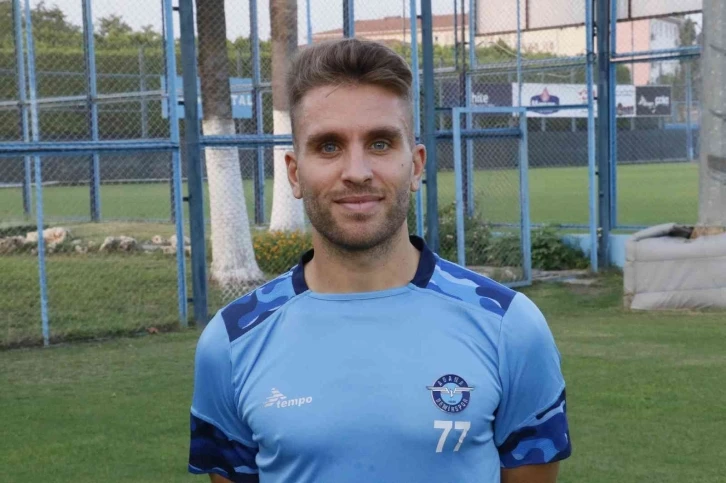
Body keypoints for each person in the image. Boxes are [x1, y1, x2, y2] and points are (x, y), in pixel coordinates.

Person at [188, 38, 571, 483]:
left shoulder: (510, 328)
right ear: (294, 173)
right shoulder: (231, 344)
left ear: (416, 166)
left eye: (381, 143)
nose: (356, 171)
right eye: (328, 146)